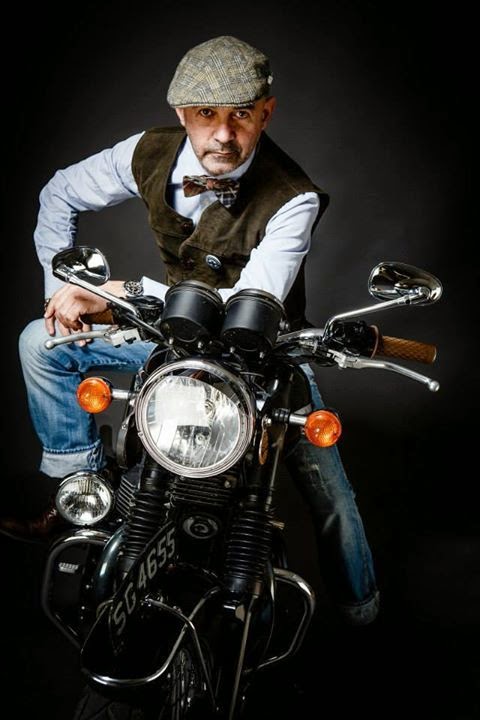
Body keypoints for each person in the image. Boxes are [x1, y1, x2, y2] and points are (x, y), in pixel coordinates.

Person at [1, 35, 379, 627]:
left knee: (332, 496)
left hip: (263, 351)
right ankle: (78, 494)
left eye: (241, 115)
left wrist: (120, 294)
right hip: (170, 335)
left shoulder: (294, 197)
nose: (223, 135)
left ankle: (361, 609)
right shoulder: (147, 152)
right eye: (206, 114)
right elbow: (59, 193)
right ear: (182, 114)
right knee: (39, 342)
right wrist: (61, 293)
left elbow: (248, 301)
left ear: (266, 114)